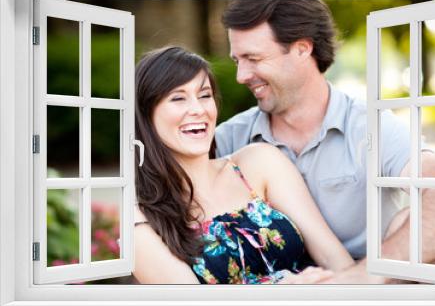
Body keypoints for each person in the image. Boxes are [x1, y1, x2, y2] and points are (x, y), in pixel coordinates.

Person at [215, 0, 435, 283]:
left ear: (302, 49)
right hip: (275, 289)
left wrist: (357, 280)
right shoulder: (229, 138)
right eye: (237, 60)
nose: (241, 75)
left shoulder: (371, 127)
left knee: (422, 232)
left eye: (253, 59)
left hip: (372, 286)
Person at [133, 46, 355, 284]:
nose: (198, 109)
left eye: (205, 95)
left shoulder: (258, 163)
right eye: (178, 98)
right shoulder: (141, 220)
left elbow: (335, 259)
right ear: (147, 115)